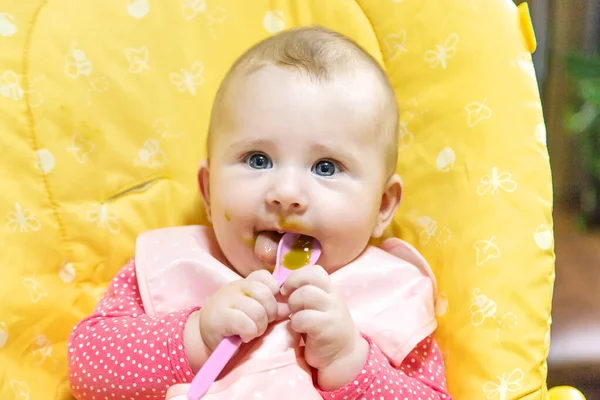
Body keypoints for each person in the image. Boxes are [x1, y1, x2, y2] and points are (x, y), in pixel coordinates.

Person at [68, 25, 452, 400]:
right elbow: (86, 371)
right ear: (208, 189)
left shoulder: (393, 293)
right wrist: (196, 337)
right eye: (257, 159)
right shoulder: (174, 265)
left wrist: (350, 363)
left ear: (382, 205)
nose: (285, 194)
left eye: (326, 167)